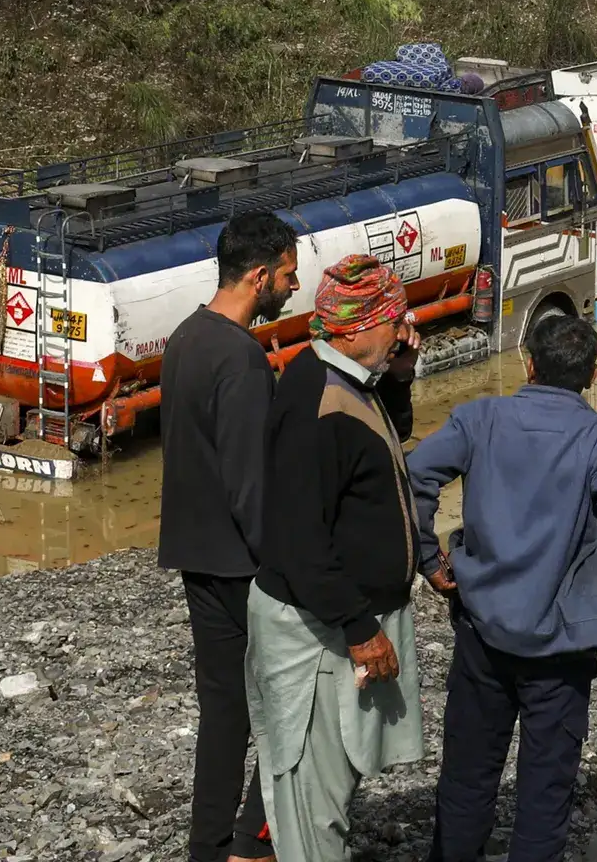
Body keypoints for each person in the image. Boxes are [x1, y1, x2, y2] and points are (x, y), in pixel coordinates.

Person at [409, 313, 597, 862]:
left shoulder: (479, 418)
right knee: (545, 790)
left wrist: (428, 559)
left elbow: (415, 476)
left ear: (529, 364)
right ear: (592, 375)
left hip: (481, 627)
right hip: (561, 643)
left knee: (468, 775)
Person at [247, 255, 424, 862]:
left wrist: (400, 376)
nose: (404, 331)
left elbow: (382, 448)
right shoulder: (318, 401)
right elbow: (299, 539)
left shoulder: (349, 379)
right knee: (311, 800)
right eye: (396, 321)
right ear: (358, 326)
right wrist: (359, 628)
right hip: (314, 631)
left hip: (339, 620)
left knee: (335, 780)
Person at [159, 210, 301, 862]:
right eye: (288, 275)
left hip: (196, 557)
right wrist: (289, 571)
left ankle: (208, 847)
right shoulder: (241, 359)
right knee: (289, 707)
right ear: (259, 276)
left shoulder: (185, 338)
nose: (293, 287)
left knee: (223, 716)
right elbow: (251, 485)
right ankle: (252, 843)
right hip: (245, 568)